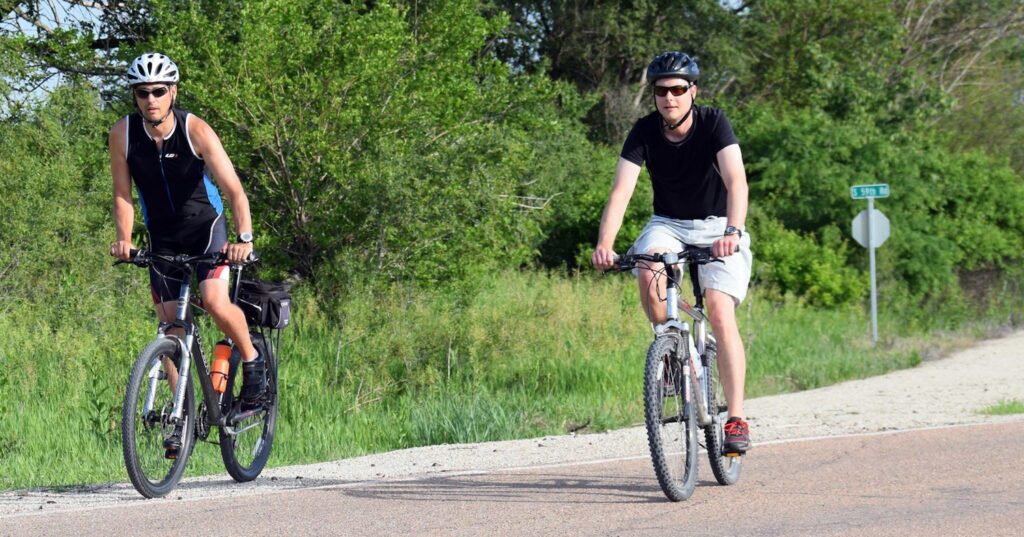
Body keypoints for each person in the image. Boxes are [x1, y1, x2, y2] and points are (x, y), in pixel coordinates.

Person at [591, 51, 753, 454]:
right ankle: (668, 356)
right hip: (669, 223)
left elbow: (736, 182)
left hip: (718, 224)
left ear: (692, 91)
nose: (670, 98)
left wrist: (732, 230)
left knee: (718, 310)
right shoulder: (644, 131)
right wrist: (605, 245)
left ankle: (735, 417)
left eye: (679, 89)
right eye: (662, 90)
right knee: (648, 270)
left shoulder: (714, 122)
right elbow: (621, 192)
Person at [108, 52, 263, 457]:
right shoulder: (122, 134)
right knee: (170, 330)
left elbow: (234, 191)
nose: (151, 99)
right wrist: (124, 239)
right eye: (142, 92)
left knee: (213, 301)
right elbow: (122, 194)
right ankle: (182, 417)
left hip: (205, 232)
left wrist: (243, 238)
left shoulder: (195, 130)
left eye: (159, 91)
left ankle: (252, 362)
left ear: (172, 92)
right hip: (162, 240)